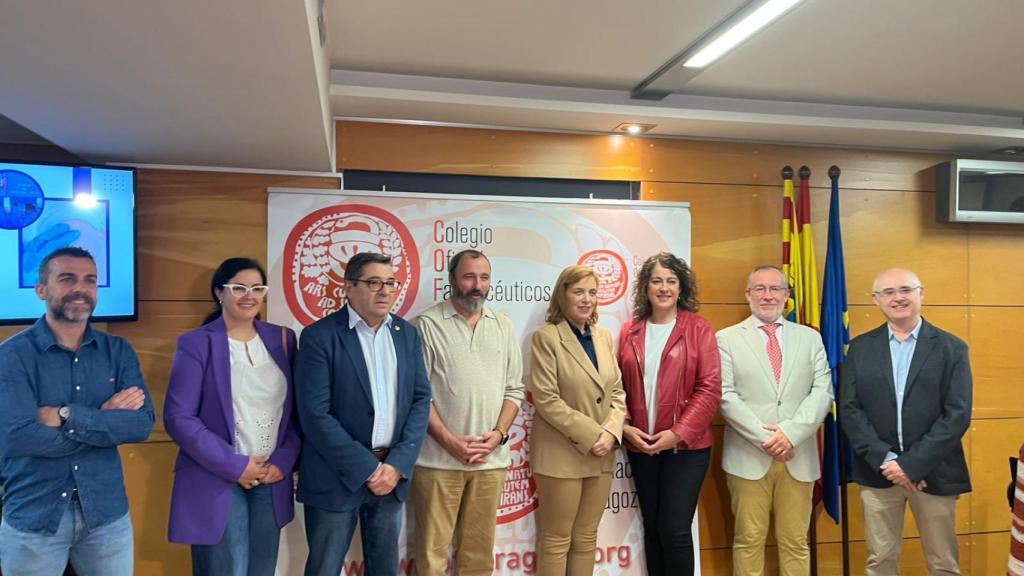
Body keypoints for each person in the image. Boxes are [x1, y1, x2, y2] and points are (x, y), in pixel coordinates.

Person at [0, 247, 155, 576]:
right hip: (34, 516)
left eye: (90, 280)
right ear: (42, 290)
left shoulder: (118, 351)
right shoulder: (12, 356)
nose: (80, 289)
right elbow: (16, 437)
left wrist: (66, 416)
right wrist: (104, 417)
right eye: (67, 279)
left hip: (107, 516)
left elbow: (141, 425)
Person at [295, 251, 431, 576]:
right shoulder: (319, 336)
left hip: (391, 474)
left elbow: (420, 399)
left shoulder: (406, 334)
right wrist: (369, 469)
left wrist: (396, 465)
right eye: (373, 283)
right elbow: (314, 414)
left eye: (390, 283)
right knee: (324, 568)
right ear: (348, 287)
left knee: (385, 569)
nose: (384, 291)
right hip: (335, 475)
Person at [164, 257, 301, 576]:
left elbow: (296, 414)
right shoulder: (197, 343)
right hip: (217, 476)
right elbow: (179, 417)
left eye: (257, 288)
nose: (249, 295)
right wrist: (236, 466)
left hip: (270, 477)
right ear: (219, 293)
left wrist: (282, 462)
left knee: (261, 570)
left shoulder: (283, 340)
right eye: (239, 288)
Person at [840, 268, 972, 576]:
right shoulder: (860, 348)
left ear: (920, 293)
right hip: (878, 472)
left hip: (934, 472)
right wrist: (888, 461)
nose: (897, 298)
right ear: (876, 300)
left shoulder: (951, 348)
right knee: (880, 561)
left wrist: (911, 465)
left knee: (943, 564)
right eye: (888, 292)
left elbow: (957, 414)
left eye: (905, 290)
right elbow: (850, 409)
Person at [410, 249, 524, 575]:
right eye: (469, 276)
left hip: (490, 462)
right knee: (431, 557)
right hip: (437, 461)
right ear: (451, 280)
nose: (477, 285)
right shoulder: (426, 325)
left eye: (484, 277)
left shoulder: (503, 325)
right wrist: (450, 442)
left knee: (478, 557)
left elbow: (514, 390)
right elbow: (418, 397)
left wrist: (498, 435)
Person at [716, 265, 832, 576]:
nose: (767, 296)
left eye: (775, 289)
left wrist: (790, 434)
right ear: (748, 295)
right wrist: (768, 439)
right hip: (748, 455)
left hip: (798, 454)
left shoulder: (810, 338)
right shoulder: (726, 339)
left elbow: (822, 391)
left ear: (786, 295)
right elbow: (725, 395)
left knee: (795, 541)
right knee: (748, 540)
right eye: (760, 289)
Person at [616, 252, 721, 576]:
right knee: (652, 527)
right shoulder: (630, 331)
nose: (664, 288)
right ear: (645, 288)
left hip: (686, 448)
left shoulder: (699, 328)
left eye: (671, 281)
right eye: (656, 281)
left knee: (674, 529)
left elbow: (709, 388)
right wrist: (625, 428)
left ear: (681, 287)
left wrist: (677, 433)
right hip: (642, 446)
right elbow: (616, 386)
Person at [527, 264, 626, 576]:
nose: (587, 299)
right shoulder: (547, 338)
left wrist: (611, 433)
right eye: (579, 292)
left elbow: (617, 391)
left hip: (602, 453)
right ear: (563, 295)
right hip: (561, 454)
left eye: (592, 293)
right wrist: (594, 435)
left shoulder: (604, 337)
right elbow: (546, 399)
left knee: (586, 538)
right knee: (557, 540)